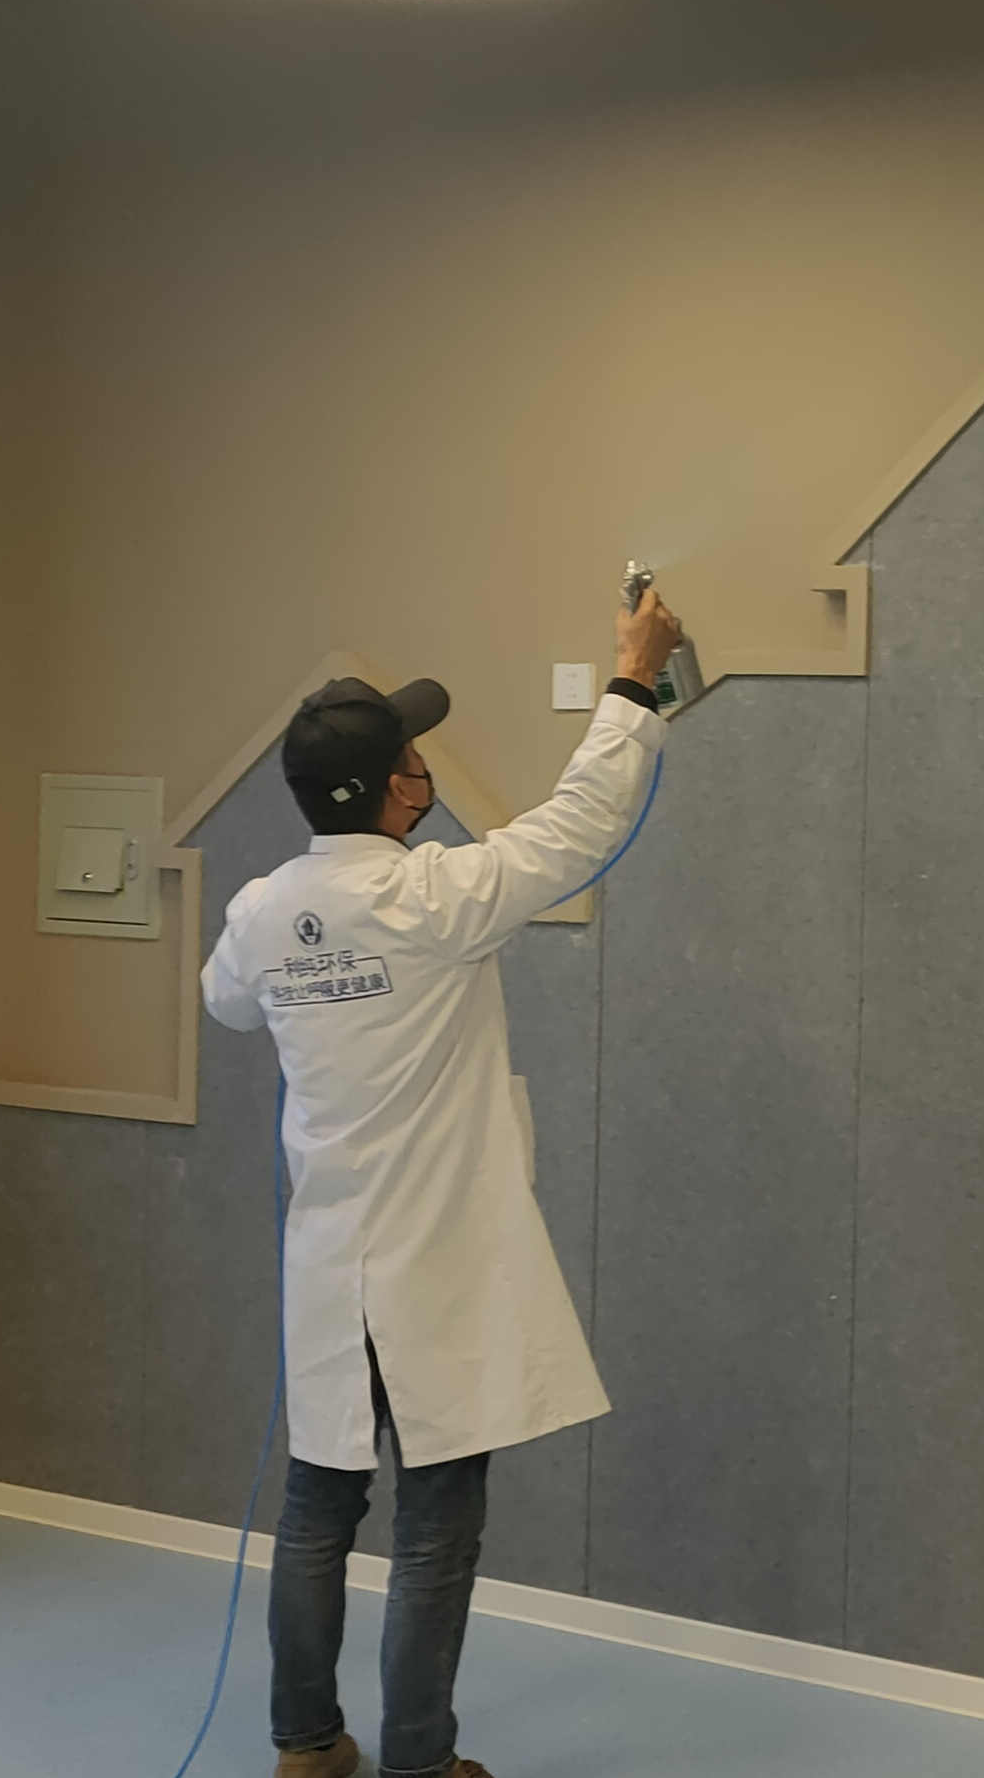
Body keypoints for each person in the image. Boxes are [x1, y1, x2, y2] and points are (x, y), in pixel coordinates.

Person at [201, 584, 686, 1778]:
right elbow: (580, 823)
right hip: (436, 1267)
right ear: (398, 789)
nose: (425, 769)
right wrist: (635, 674)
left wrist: (316, 975)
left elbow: (226, 1004)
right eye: (413, 756)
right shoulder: (436, 898)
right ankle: (419, 1761)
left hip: (330, 1266)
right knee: (434, 1528)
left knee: (318, 1510)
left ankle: (306, 1748)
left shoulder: (262, 910)